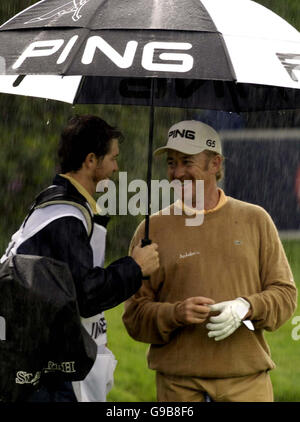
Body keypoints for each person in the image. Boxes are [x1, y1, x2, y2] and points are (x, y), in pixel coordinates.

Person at [122, 120, 297, 402]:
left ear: (215, 164)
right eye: (171, 162)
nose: (177, 172)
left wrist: (247, 306)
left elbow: (286, 296)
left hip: (246, 385)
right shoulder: (151, 229)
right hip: (177, 389)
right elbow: (134, 317)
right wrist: (175, 313)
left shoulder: (256, 220)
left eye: (187, 162)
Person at [1, 114, 159, 402]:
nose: (116, 167)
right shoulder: (67, 218)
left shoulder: (54, 202)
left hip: (36, 364)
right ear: (90, 160)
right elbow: (86, 295)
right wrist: (135, 267)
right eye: (112, 158)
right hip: (53, 376)